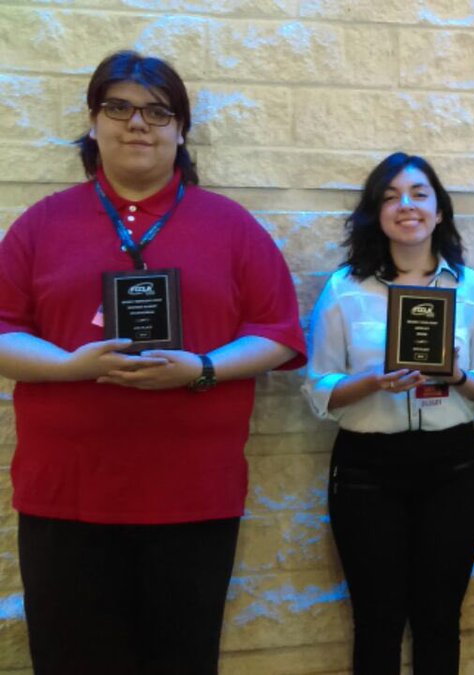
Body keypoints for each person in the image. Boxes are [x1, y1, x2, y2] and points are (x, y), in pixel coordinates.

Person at [0, 51, 306, 674]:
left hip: (193, 495)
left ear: (181, 131)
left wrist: (203, 368)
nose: (138, 123)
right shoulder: (42, 224)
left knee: (181, 660)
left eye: (158, 112)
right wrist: (71, 366)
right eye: (119, 108)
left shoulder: (231, 226)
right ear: (93, 123)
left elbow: (277, 333)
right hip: (67, 495)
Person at [303, 152, 474, 675]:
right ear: (376, 213)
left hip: (451, 466)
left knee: (440, 618)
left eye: (419, 194)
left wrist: (457, 376)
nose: (406, 205)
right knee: (377, 620)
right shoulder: (345, 289)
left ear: (440, 212)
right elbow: (318, 388)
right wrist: (372, 381)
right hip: (367, 468)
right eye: (390, 197)